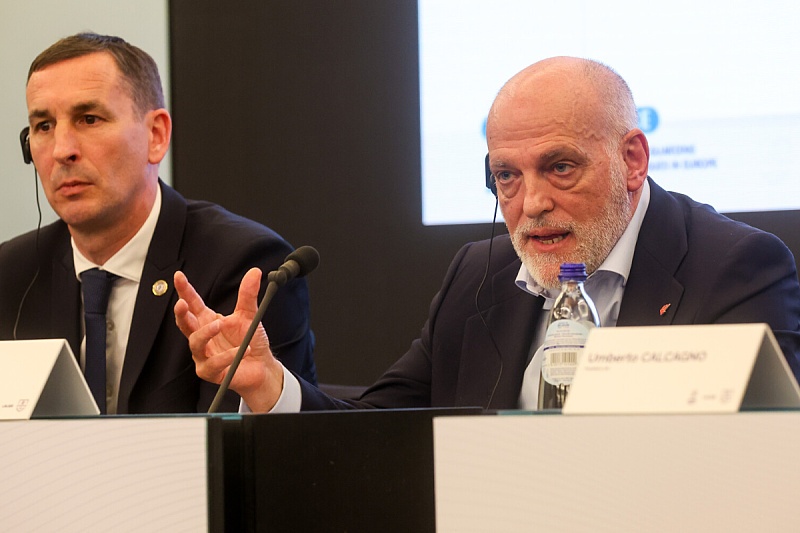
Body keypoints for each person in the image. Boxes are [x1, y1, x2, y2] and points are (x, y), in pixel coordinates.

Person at [175, 56, 800, 412]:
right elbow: (379, 429)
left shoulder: (735, 266)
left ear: (632, 159)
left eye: (560, 167)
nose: (531, 203)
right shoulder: (482, 273)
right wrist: (269, 384)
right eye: (506, 176)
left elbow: (756, 461)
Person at [0, 32, 316, 414]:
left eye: (88, 119)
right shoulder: (11, 273)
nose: (62, 149)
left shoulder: (242, 265)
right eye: (44, 126)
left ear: (156, 135)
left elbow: (246, 455)